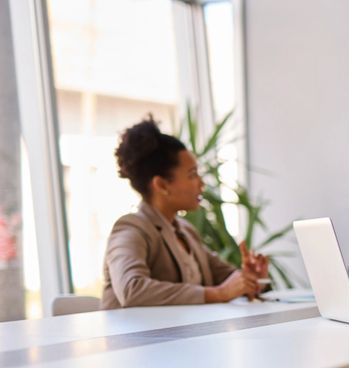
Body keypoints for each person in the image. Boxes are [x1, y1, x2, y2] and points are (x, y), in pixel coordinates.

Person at [101, 117, 266, 309]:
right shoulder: (131, 229)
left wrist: (251, 281)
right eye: (192, 174)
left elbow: (227, 279)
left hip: (183, 336)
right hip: (141, 339)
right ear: (162, 185)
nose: (201, 184)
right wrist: (218, 293)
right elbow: (132, 289)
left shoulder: (186, 231)